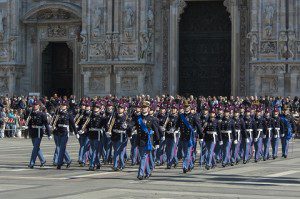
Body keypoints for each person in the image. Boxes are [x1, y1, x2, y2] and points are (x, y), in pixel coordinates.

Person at [53, 100, 77, 169]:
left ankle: (59, 163)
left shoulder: (69, 114)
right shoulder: (58, 113)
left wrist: (76, 133)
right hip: (58, 131)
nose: (62, 106)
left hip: (65, 132)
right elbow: (54, 122)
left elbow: (72, 124)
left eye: (64, 105)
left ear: (66, 106)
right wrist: (53, 126)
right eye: (61, 105)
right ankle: (68, 160)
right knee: (61, 147)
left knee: (62, 147)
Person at [27, 101, 51, 169]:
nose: (35, 106)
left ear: (39, 106)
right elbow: (29, 123)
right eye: (34, 105)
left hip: (39, 132)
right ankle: (43, 161)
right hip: (33, 132)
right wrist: (28, 129)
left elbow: (46, 124)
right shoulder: (31, 113)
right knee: (36, 147)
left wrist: (49, 134)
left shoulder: (42, 114)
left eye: (36, 105)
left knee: (35, 148)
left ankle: (32, 163)